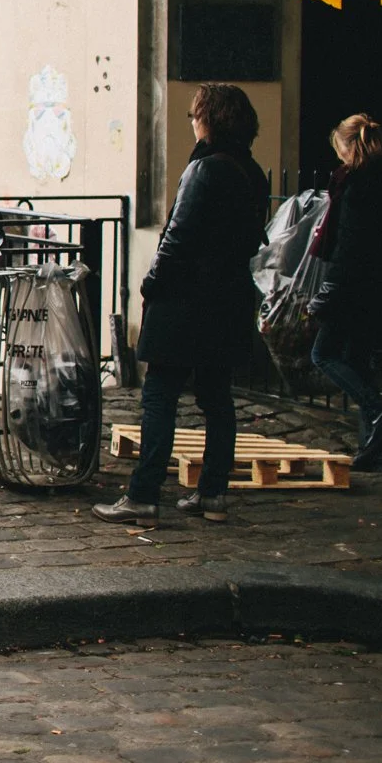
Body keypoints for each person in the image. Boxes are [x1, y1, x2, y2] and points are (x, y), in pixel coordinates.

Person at [95, 84, 268, 527]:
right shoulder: (251, 172)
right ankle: (212, 494)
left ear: (208, 119)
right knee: (217, 399)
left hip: (187, 300)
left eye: (195, 116)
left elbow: (177, 238)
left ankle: (144, 495)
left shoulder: (204, 169)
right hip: (228, 298)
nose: (192, 122)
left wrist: (152, 283)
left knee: (159, 397)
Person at [308, 114, 382, 470]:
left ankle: (380, 416)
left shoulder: (357, 185)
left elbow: (350, 243)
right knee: (358, 361)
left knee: (325, 354)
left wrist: (330, 287)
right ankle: (378, 450)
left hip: (353, 284)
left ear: (350, 147)